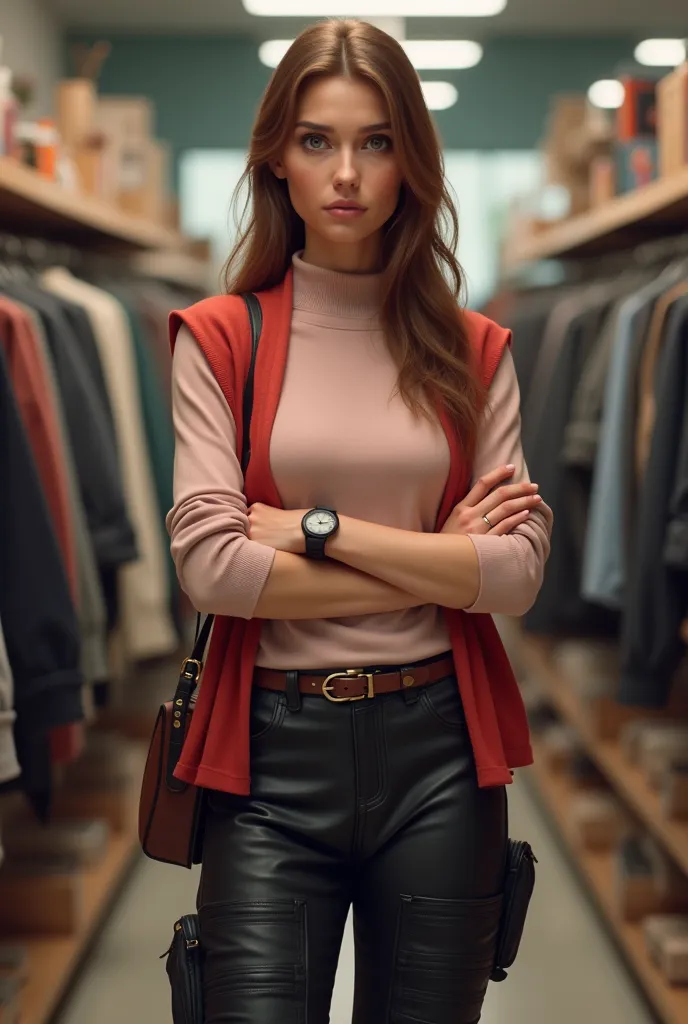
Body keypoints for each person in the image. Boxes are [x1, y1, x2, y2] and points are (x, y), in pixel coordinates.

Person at [166, 17, 553, 1024]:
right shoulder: (219, 339)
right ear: (276, 162)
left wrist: (311, 529)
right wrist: (439, 560)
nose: (346, 172)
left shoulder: (475, 351)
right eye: (317, 141)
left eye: (376, 141)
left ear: (411, 164)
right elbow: (211, 569)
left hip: (438, 757)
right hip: (267, 762)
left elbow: (514, 574)